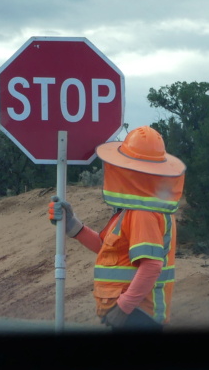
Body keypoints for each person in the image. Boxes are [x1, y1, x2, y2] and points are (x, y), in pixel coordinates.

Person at [50, 125, 185, 332]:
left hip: (138, 317)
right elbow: (111, 250)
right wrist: (75, 227)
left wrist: (123, 308)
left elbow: (151, 266)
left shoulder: (143, 211)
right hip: (136, 314)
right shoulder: (138, 208)